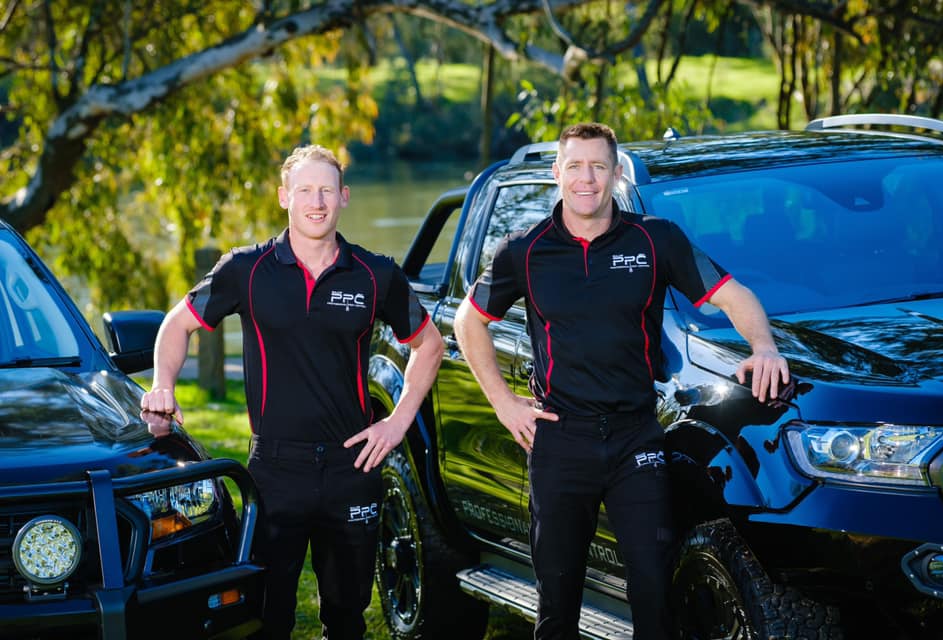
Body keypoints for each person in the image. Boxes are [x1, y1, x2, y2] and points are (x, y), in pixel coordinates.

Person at [453, 122, 789, 639]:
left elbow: (732, 294)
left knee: (654, 594)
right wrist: (503, 404)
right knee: (557, 602)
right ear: (556, 173)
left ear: (614, 173)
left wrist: (764, 347)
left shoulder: (656, 239)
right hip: (561, 441)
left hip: (636, 439)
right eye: (574, 166)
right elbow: (468, 320)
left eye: (598, 166)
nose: (585, 178)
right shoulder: (524, 250)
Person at [141, 144, 443, 640]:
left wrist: (397, 422)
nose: (316, 201)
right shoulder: (246, 269)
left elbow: (429, 346)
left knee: (347, 620)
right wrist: (162, 384)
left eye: (327, 190)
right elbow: (177, 326)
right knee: (266, 619)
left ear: (344, 197)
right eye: (305, 190)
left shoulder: (375, 275)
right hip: (276, 471)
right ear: (285, 197)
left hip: (354, 467)